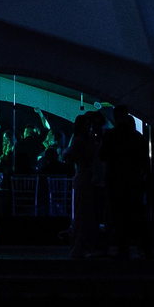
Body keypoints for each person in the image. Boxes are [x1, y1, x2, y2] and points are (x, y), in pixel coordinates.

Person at [102, 112, 154, 258]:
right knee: (138, 215)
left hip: (116, 180)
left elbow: (103, 155)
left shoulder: (110, 136)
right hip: (134, 180)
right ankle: (144, 248)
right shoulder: (137, 136)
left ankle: (123, 249)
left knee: (118, 216)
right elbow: (145, 159)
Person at [68, 109, 107, 258]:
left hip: (85, 177)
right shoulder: (82, 141)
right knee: (83, 213)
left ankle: (81, 246)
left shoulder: (80, 140)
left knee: (84, 213)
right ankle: (80, 247)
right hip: (85, 177)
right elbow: (89, 156)